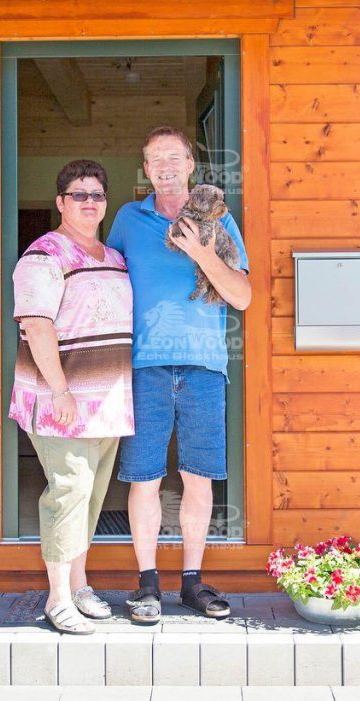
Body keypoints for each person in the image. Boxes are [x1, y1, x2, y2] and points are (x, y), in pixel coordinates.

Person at [106, 127, 251, 623]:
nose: (165, 166)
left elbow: (243, 296)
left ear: (190, 164)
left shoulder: (218, 219)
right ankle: (147, 584)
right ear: (146, 169)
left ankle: (192, 582)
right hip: (143, 365)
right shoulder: (129, 219)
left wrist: (201, 252)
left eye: (174, 156)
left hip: (203, 366)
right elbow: (106, 283)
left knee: (198, 477)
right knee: (144, 478)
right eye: (155, 159)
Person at [9, 159, 134, 634]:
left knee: (91, 497)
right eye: (78, 194)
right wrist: (60, 391)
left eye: (97, 194)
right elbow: (37, 325)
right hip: (61, 401)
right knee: (69, 492)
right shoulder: (44, 255)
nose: (89, 202)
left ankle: (79, 585)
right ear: (61, 202)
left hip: (107, 402)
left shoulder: (114, 257)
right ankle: (58, 597)